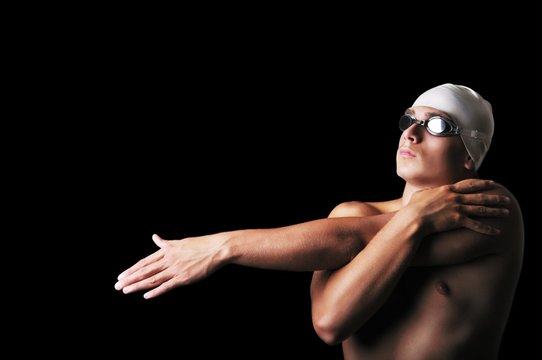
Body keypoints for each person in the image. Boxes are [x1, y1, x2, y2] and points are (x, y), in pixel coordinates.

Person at [115, 84, 524, 359]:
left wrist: (224, 246)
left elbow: (352, 240)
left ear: (470, 154)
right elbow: (330, 323)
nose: (411, 134)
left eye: (437, 125)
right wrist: (415, 216)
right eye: (409, 120)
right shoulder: (349, 216)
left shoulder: (491, 207)